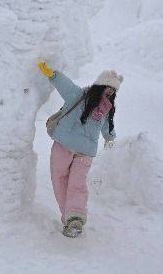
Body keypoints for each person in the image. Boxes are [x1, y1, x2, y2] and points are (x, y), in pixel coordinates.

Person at [37, 61, 121, 238]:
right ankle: (70, 216)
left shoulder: (106, 109)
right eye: (109, 87)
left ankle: (74, 218)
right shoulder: (78, 95)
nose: (111, 92)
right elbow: (63, 84)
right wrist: (51, 73)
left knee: (76, 184)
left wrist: (110, 138)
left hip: (83, 151)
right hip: (64, 145)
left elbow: (107, 127)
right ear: (100, 85)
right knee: (59, 179)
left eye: (114, 90)